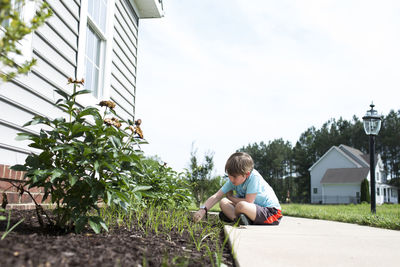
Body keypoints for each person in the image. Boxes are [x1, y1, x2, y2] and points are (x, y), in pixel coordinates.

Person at [193, 152, 282, 225]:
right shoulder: (233, 180)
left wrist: (231, 197)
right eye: (229, 176)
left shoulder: (254, 177)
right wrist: (202, 210)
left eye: (234, 177)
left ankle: (237, 217)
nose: (231, 179)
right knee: (223, 202)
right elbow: (217, 196)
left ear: (246, 174)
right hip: (251, 210)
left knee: (241, 205)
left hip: (271, 213)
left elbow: (248, 202)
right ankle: (240, 220)